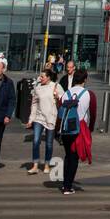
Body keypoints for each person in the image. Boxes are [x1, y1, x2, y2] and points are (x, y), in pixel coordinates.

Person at [57, 67, 92, 195]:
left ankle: (65, 183)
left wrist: (57, 130)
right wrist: (90, 128)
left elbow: (59, 112)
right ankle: (68, 186)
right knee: (74, 157)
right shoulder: (88, 94)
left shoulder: (66, 93)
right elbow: (92, 112)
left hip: (65, 128)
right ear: (85, 79)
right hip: (79, 128)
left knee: (68, 156)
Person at [26, 69, 64, 173]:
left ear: (48, 77)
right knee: (36, 141)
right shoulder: (37, 88)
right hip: (39, 118)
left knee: (49, 144)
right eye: (40, 76)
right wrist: (30, 120)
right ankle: (35, 165)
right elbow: (34, 105)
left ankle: (47, 164)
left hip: (51, 118)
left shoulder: (55, 86)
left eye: (42, 76)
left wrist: (58, 96)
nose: (40, 78)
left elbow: (63, 98)